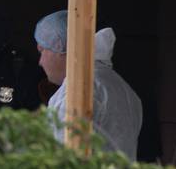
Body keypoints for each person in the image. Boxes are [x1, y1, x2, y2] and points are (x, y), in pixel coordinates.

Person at [35, 10, 143, 159]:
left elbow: (64, 164)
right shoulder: (120, 86)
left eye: (42, 51)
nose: (40, 62)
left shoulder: (79, 90)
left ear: (59, 47)